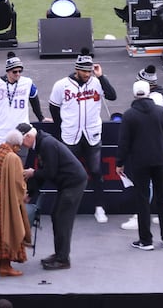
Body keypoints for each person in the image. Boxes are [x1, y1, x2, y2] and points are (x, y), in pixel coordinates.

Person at [48, 54, 117, 224]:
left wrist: (101, 76)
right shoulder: (62, 85)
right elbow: (53, 108)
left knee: (95, 172)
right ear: (76, 69)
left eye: (89, 71)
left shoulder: (97, 82)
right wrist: (62, 126)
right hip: (70, 135)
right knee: (67, 174)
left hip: (92, 134)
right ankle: (65, 208)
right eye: (84, 71)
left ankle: (99, 207)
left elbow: (112, 95)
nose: (87, 74)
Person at [120, 80, 163, 251]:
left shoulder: (129, 115)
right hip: (160, 161)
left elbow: (124, 142)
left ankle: (146, 241)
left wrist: (120, 163)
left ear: (134, 94)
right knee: (162, 198)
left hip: (140, 163)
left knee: (143, 200)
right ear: (148, 92)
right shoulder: (161, 112)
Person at [18, 123, 86, 269]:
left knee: (62, 219)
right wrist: (31, 194)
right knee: (57, 216)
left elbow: (50, 172)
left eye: (22, 141)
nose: (22, 145)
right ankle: (60, 254)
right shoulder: (41, 143)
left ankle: (63, 259)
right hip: (67, 183)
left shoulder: (47, 144)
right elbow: (44, 171)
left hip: (74, 183)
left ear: (29, 137)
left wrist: (33, 173)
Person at [0, 129, 29, 276]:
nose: (19, 150)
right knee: (6, 231)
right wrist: (24, 194)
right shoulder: (12, 158)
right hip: (4, 200)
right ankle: (5, 266)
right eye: (18, 147)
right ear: (14, 145)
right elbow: (17, 182)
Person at [0, 53, 44, 145]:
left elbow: (34, 102)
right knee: (4, 159)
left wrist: (41, 118)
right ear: (8, 71)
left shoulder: (27, 83)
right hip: (3, 131)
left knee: (20, 159)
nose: (18, 74)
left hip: (22, 131)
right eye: (15, 72)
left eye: (20, 71)